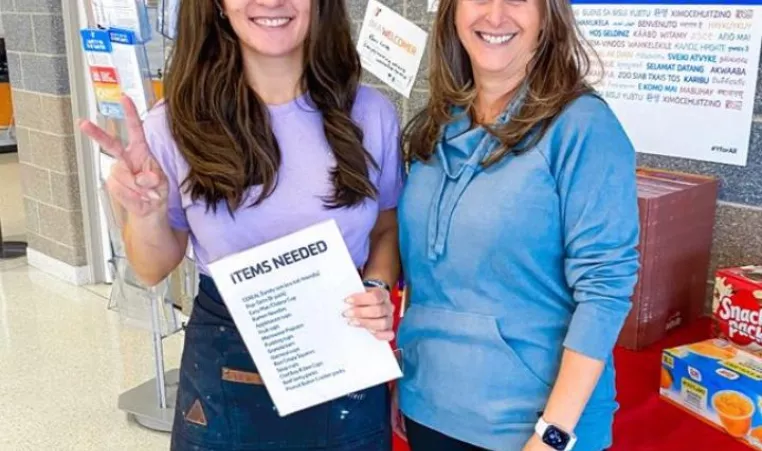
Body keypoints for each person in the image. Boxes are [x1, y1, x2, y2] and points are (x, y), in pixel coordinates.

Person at [80, 0, 403, 450]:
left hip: (344, 357)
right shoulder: (174, 125)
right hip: (225, 366)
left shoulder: (371, 114)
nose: (272, 3)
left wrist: (377, 286)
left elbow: (385, 228)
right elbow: (152, 269)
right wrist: (147, 211)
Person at [395, 0, 640, 450]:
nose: (495, 14)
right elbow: (427, 272)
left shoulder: (583, 127)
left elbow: (605, 290)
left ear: (549, 15)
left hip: (532, 430)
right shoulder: (437, 124)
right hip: (428, 410)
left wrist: (553, 435)